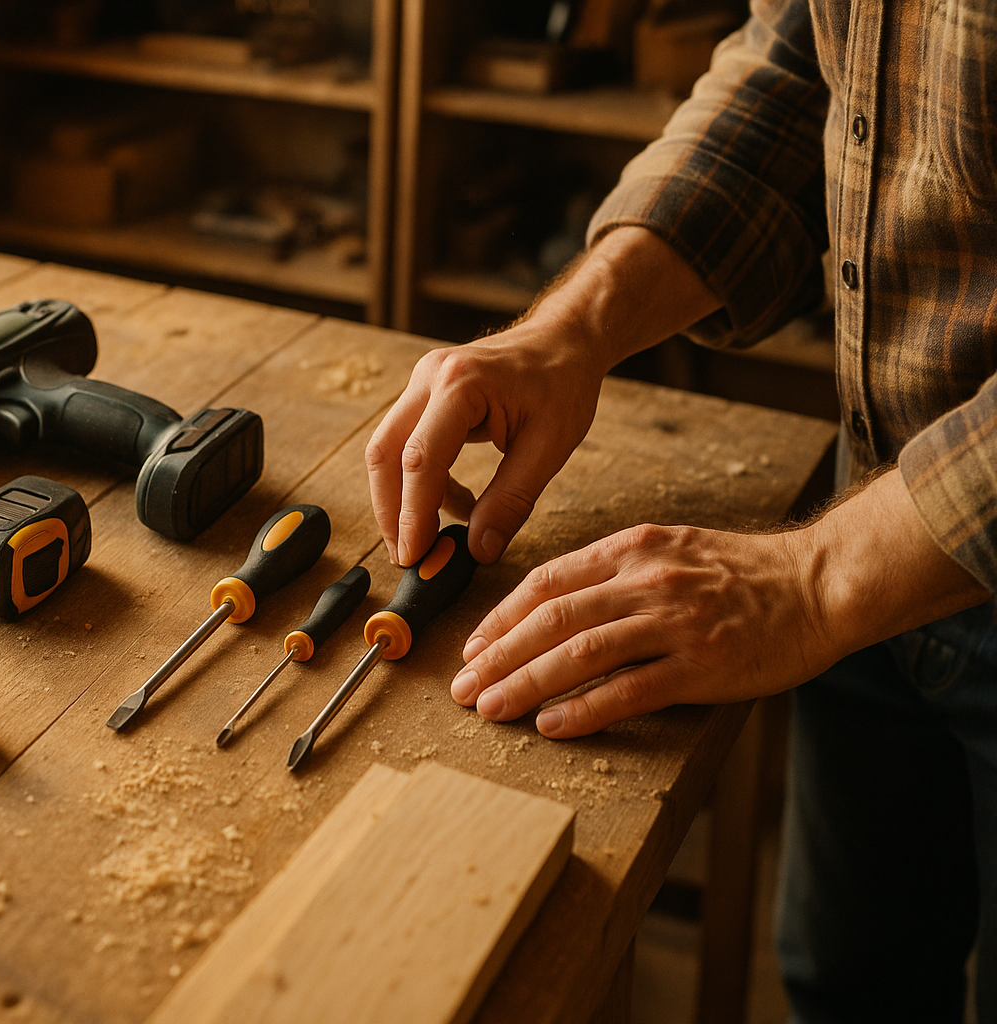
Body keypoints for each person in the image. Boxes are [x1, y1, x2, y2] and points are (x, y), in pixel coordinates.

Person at [366, 3, 997, 1020]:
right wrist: (575, 322)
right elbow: (802, 69)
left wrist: (817, 579)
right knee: (846, 987)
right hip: (879, 494)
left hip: (885, 550)